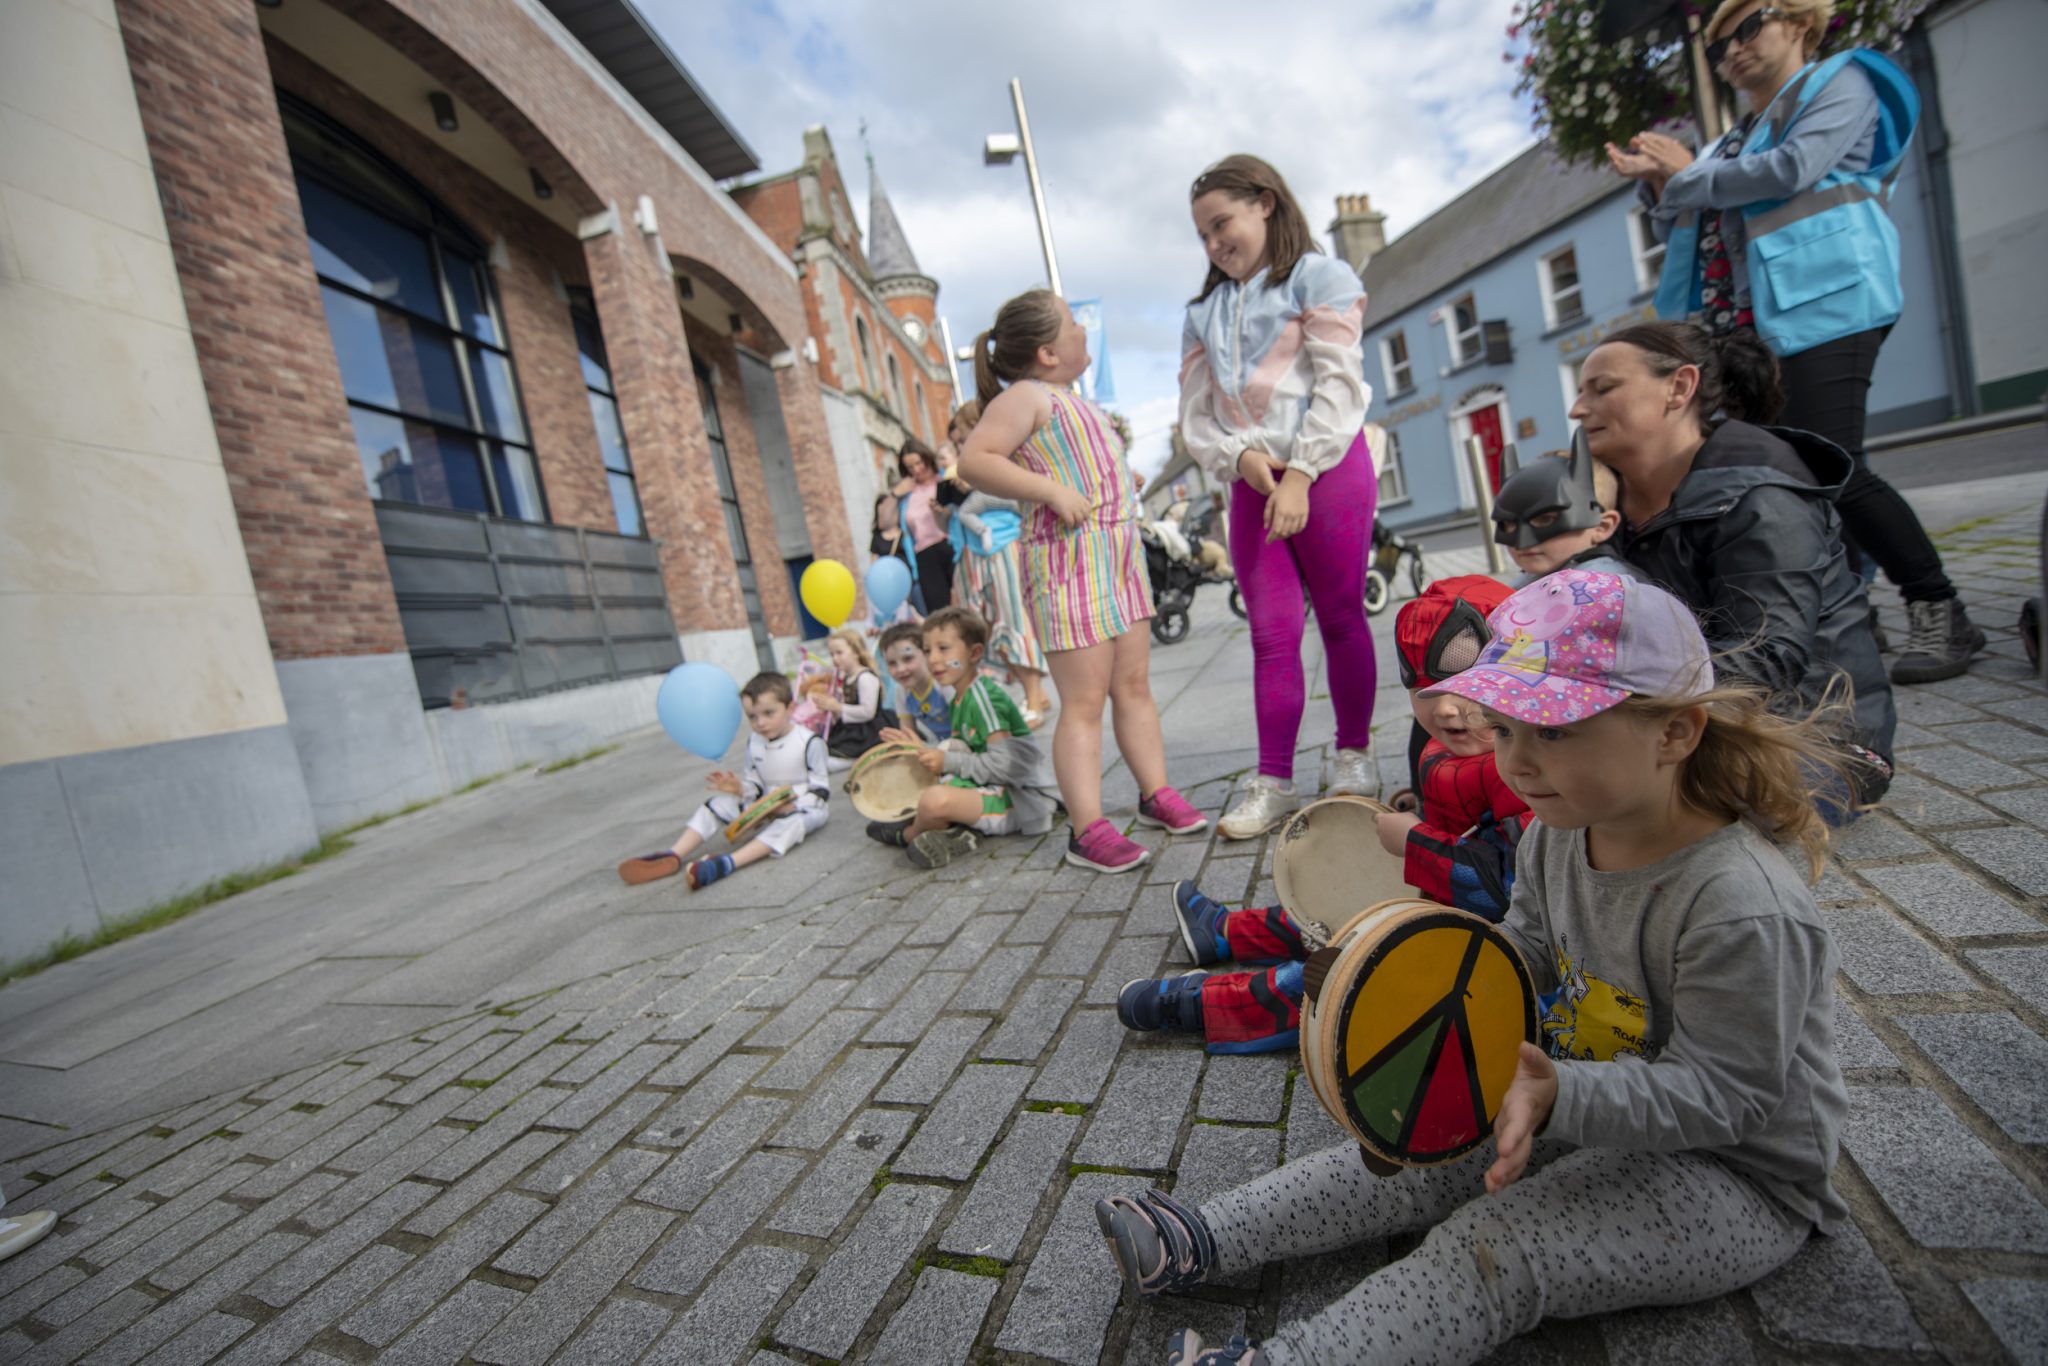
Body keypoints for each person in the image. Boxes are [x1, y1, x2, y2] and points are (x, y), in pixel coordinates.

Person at [1097, 570, 1852, 1366]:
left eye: (1551, 732)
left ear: (1674, 733)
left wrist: (1560, 1095)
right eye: (1505, 727)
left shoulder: (1740, 905)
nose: (1516, 762)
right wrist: (1382, 979)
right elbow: (1518, 954)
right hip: (1575, 1098)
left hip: (1734, 1176)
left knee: (1498, 1246)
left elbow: (1726, 1097)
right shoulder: (1559, 831)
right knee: (1416, 1152)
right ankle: (1198, 1237)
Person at [1609, 0, 1982, 684]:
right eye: (1720, 45)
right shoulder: (1731, 141)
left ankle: (1939, 606)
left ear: (1799, 21)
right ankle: (1847, 613)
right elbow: (1688, 224)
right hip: (1755, 326)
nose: (1732, 51)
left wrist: (1685, 173)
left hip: (1830, 303)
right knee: (1787, 474)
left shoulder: (1842, 83)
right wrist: (1661, 185)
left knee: (1831, 466)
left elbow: (1793, 169)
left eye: (1747, 28)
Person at [1116, 576, 1524, 1056]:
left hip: (1480, 950)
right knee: (1332, 906)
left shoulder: (1527, 768)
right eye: (1427, 694)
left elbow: (1505, 886)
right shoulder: (1464, 750)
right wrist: (1417, 811)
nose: (1448, 710)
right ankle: (1225, 933)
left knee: (1335, 970)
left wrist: (1415, 840)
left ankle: (1209, 1005)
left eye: (1466, 690)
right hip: (1429, 904)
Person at [1572, 321, 1894, 817]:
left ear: (1679, 386)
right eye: (1580, 392)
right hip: (1686, 721)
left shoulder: (1760, 495)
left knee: (1613, 801)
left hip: (1813, 737)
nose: (1577, 409)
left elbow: (1768, 659)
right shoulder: (1602, 498)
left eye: (1603, 388)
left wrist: (1601, 681)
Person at [957, 290, 1208, 873]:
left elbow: (1075, 461)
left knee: (1135, 685)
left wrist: (1121, 475)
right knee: (1084, 701)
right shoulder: (1026, 396)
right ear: (1047, 352)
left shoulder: (1077, 402)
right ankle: (1087, 828)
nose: (1083, 330)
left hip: (1117, 561)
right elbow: (976, 460)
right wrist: (1049, 491)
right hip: (1068, 567)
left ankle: (1155, 792)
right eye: (1073, 324)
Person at [1178, 154, 1379, 839]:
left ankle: (1354, 755)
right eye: (1203, 235)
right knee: (1270, 634)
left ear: (1265, 203)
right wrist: (1237, 457)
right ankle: (1273, 782)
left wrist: (1301, 473)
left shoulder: (1321, 278)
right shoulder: (1200, 314)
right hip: (1252, 483)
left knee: (1342, 617)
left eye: (1221, 223)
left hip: (1328, 471)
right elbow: (1195, 416)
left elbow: (1341, 385)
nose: (1214, 243)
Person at [865, 607, 1062, 869]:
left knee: (933, 800)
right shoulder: (960, 697)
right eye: (928, 650)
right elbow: (965, 752)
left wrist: (945, 761)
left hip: (1022, 799)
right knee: (933, 776)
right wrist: (925, 752)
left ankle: (908, 834)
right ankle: (958, 833)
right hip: (991, 787)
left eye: (943, 649)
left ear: (974, 653)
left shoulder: (983, 698)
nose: (934, 659)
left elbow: (1005, 767)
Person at [617, 671, 829, 891]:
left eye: (769, 713)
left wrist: (791, 806)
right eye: (752, 716)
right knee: (716, 804)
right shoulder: (754, 742)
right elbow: (755, 785)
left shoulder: (809, 741)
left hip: (803, 809)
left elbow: (821, 790)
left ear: (790, 708)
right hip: (764, 807)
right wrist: (740, 789)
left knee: (792, 824)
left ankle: (728, 863)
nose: (761, 723)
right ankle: (673, 854)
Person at [942, 400, 1055, 725]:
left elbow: (1018, 499)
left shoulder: (1004, 457)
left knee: (1015, 622)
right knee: (985, 630)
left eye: (963, 439)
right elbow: (951, 524)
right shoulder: (961, 469)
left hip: (1003, 547)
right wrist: (944, 508)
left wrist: (978, 486)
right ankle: (1035, 694)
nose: (961, 448)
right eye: (958, 443)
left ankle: (1033, 699)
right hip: (970, 554)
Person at [1491, 437, 1638, 586]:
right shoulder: (1527, 580)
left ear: (1601, 527)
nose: (1522, 541)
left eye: (1545, 519)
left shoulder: (1604, 588)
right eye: (1509, 523)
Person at [895, 439, 954, 613]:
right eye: (910, 467)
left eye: (919, 463)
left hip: (950, 545)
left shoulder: (944, 478)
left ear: (927, 458)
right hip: (924, 555)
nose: (916, 470)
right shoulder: (907, 495)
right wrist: (896, 494)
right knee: (940, 611)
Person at [819, 629, 885, 766]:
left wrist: (838, 707)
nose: (835, 659)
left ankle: (857, 758)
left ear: (856, 652)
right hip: (851, 728)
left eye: (839, 653)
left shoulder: (865, 677)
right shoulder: (846, 678)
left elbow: (868, 712)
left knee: (834, 758)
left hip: (867, 730)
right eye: (832, 654)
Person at [879, 619, 950, 743]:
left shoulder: (945, 685)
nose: (900, 669)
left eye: (908, 659)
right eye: (892, 663)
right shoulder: (901, 692)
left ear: (926, 654)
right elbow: (908, 736)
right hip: (939, 747)